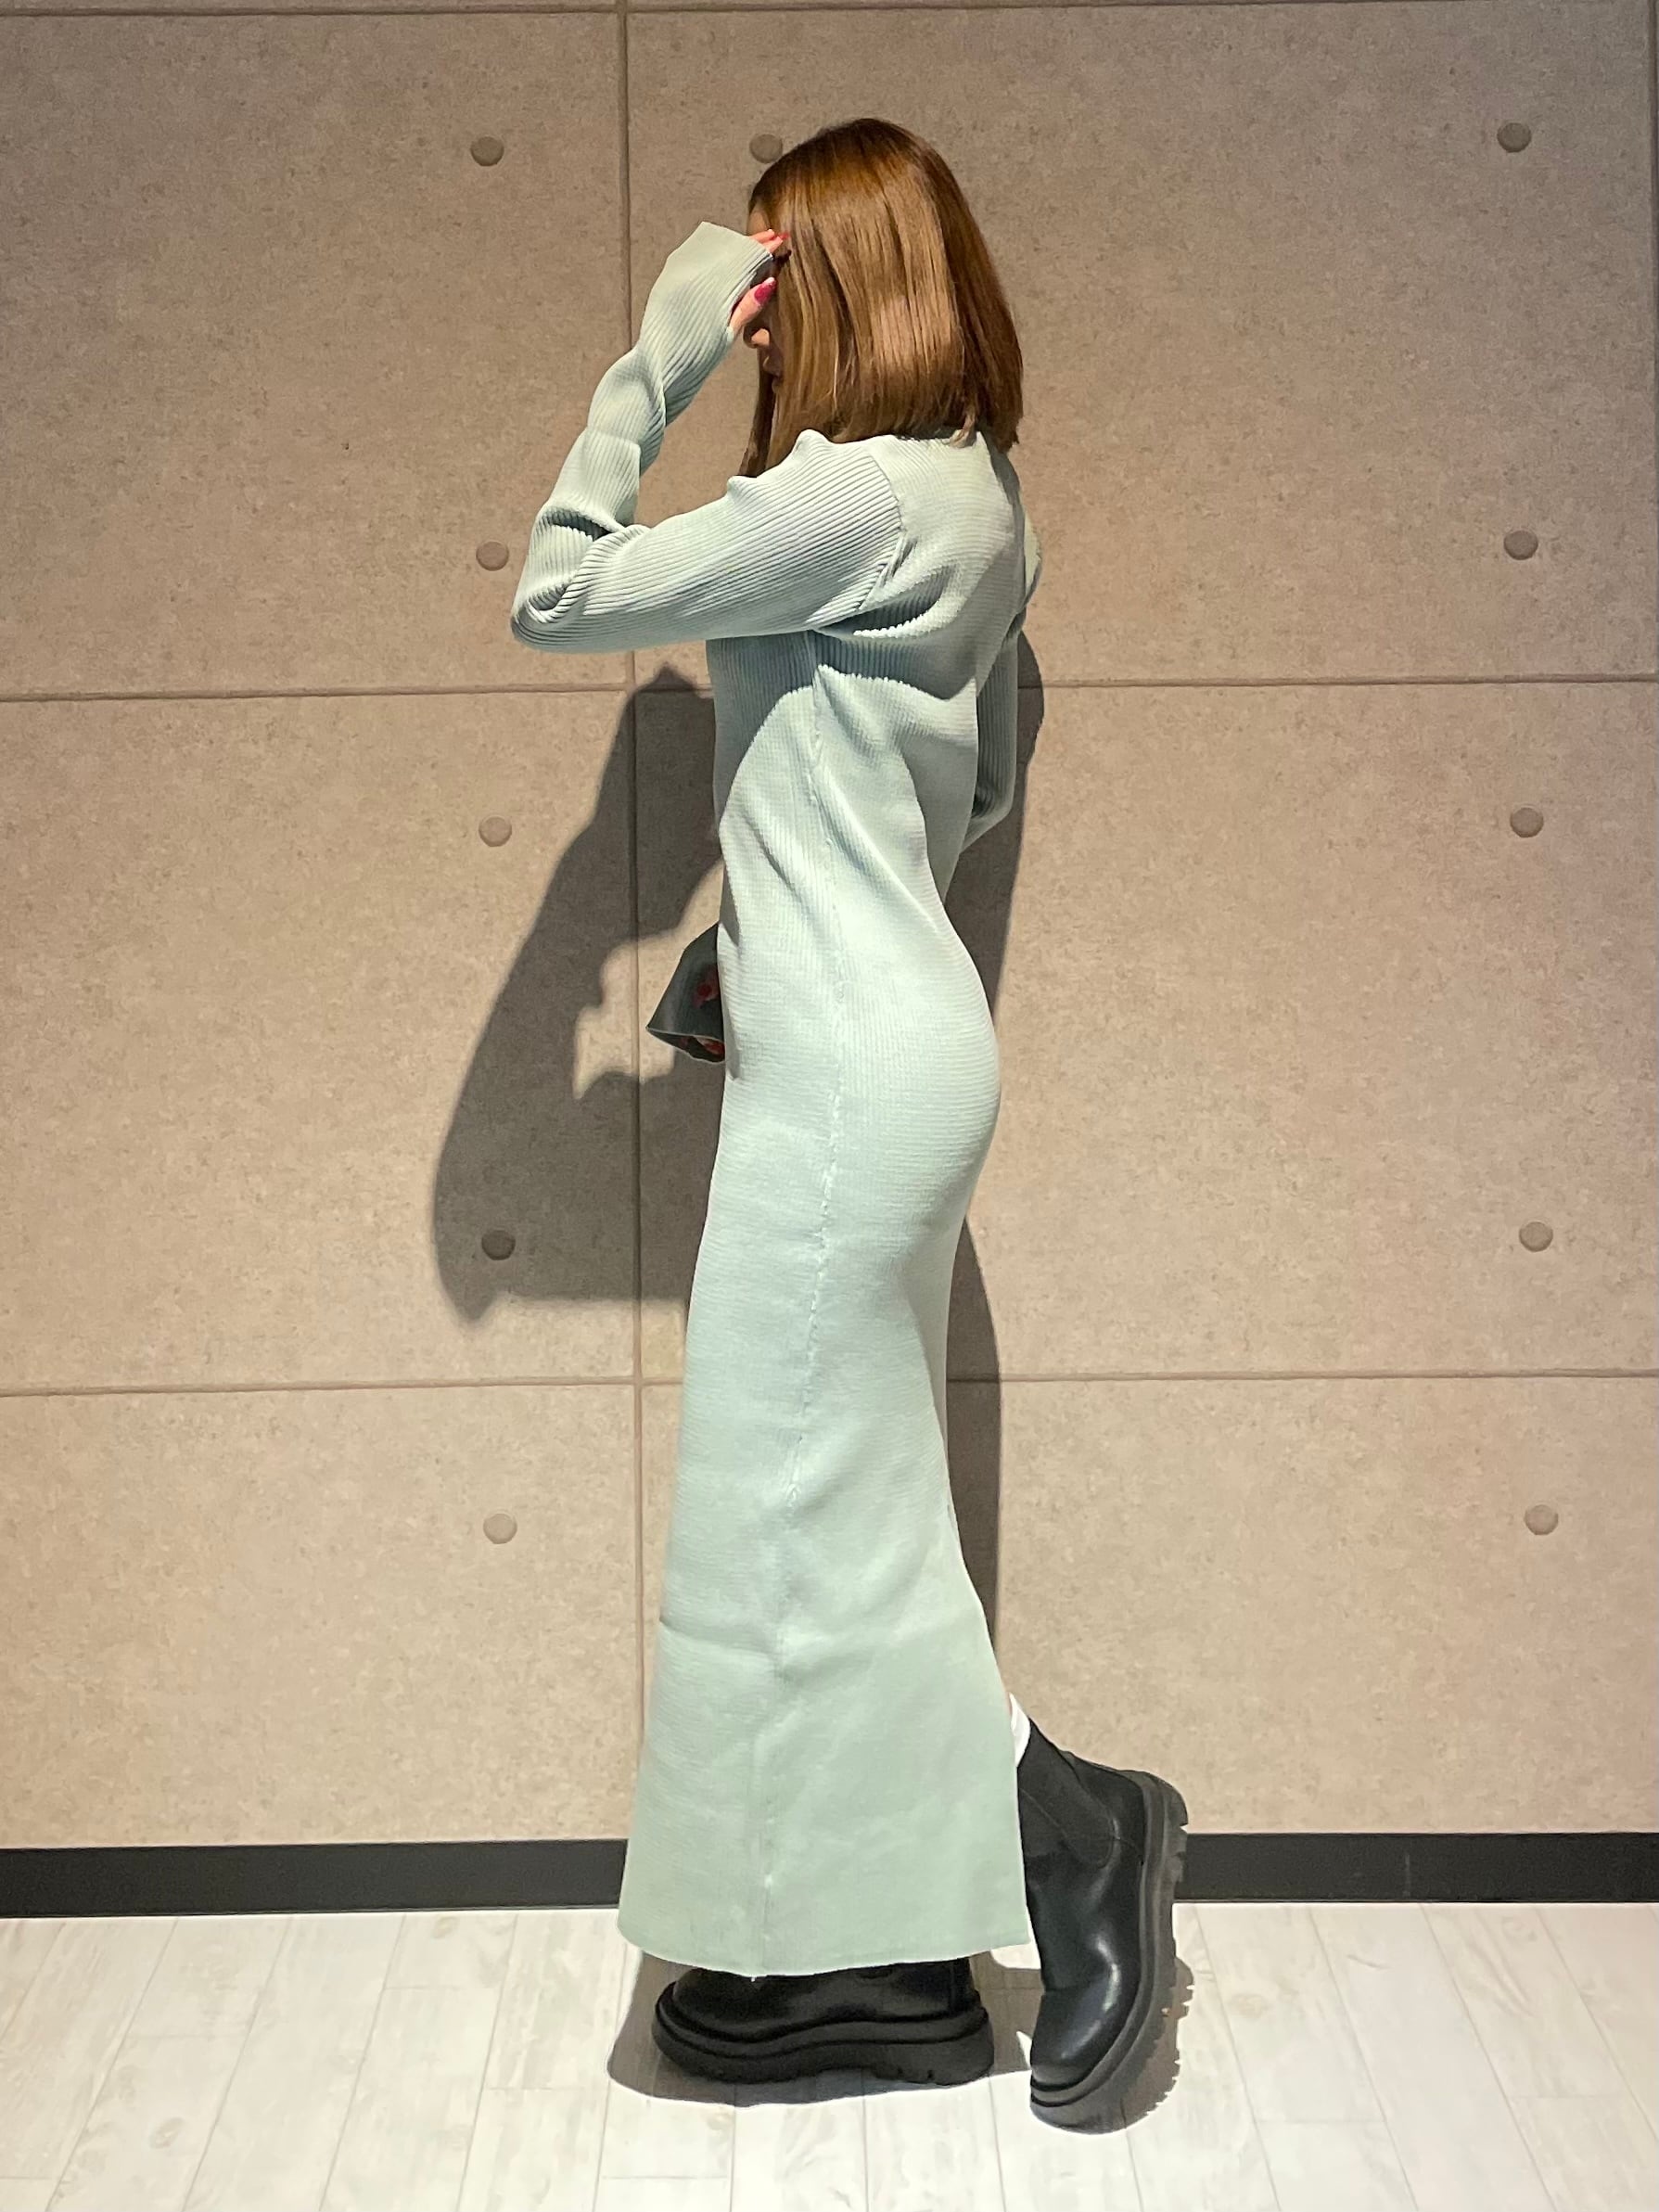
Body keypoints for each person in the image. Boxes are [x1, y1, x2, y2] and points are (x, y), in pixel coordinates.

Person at [508, 115, 1187, 2129]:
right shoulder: (978, 506)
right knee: (826, 1506)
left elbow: (557, 588)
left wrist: (656, 350)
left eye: (767, 281)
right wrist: (784, 924)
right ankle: (889, 1905)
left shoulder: (847, 494)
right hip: (901, 1043)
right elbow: (972, 790)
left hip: (846, 1080)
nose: (753, 318)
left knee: (796, 1510)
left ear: (830, 284)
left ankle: (1074, 1827)